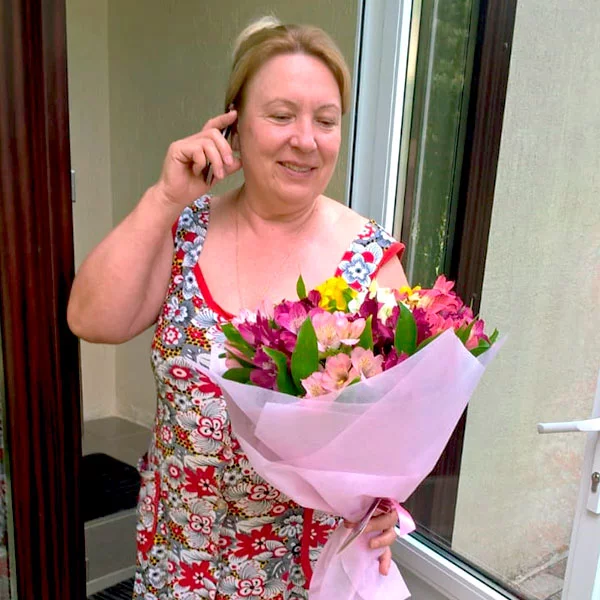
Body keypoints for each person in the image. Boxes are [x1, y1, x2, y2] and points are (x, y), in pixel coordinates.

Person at [68, 16, 410, 600]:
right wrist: (164, 197)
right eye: (281, 115)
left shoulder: (370, 263)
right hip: (179, 559)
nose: (306, 139)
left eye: (326, 120)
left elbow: (401, 422)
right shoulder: (186, 229)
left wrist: (387, 506)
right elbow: (91, 319)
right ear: (233, 124)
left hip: (301, 574)